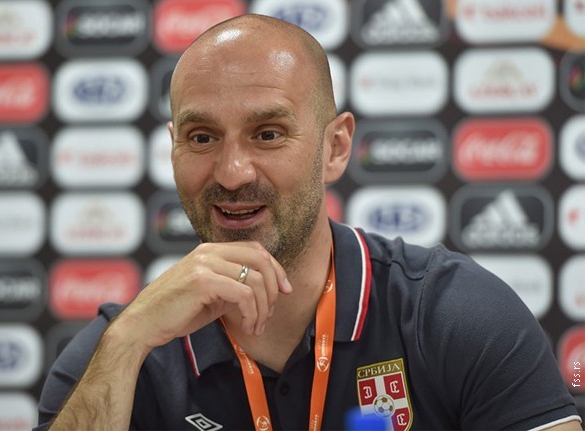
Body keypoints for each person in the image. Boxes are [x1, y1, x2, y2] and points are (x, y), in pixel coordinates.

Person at [36, 14, 582, 431]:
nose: (231, 172)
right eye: (202, 137)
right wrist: (126, 343)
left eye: (268, 134)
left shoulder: (456, 314)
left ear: (336, 147)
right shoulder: (117, 348)